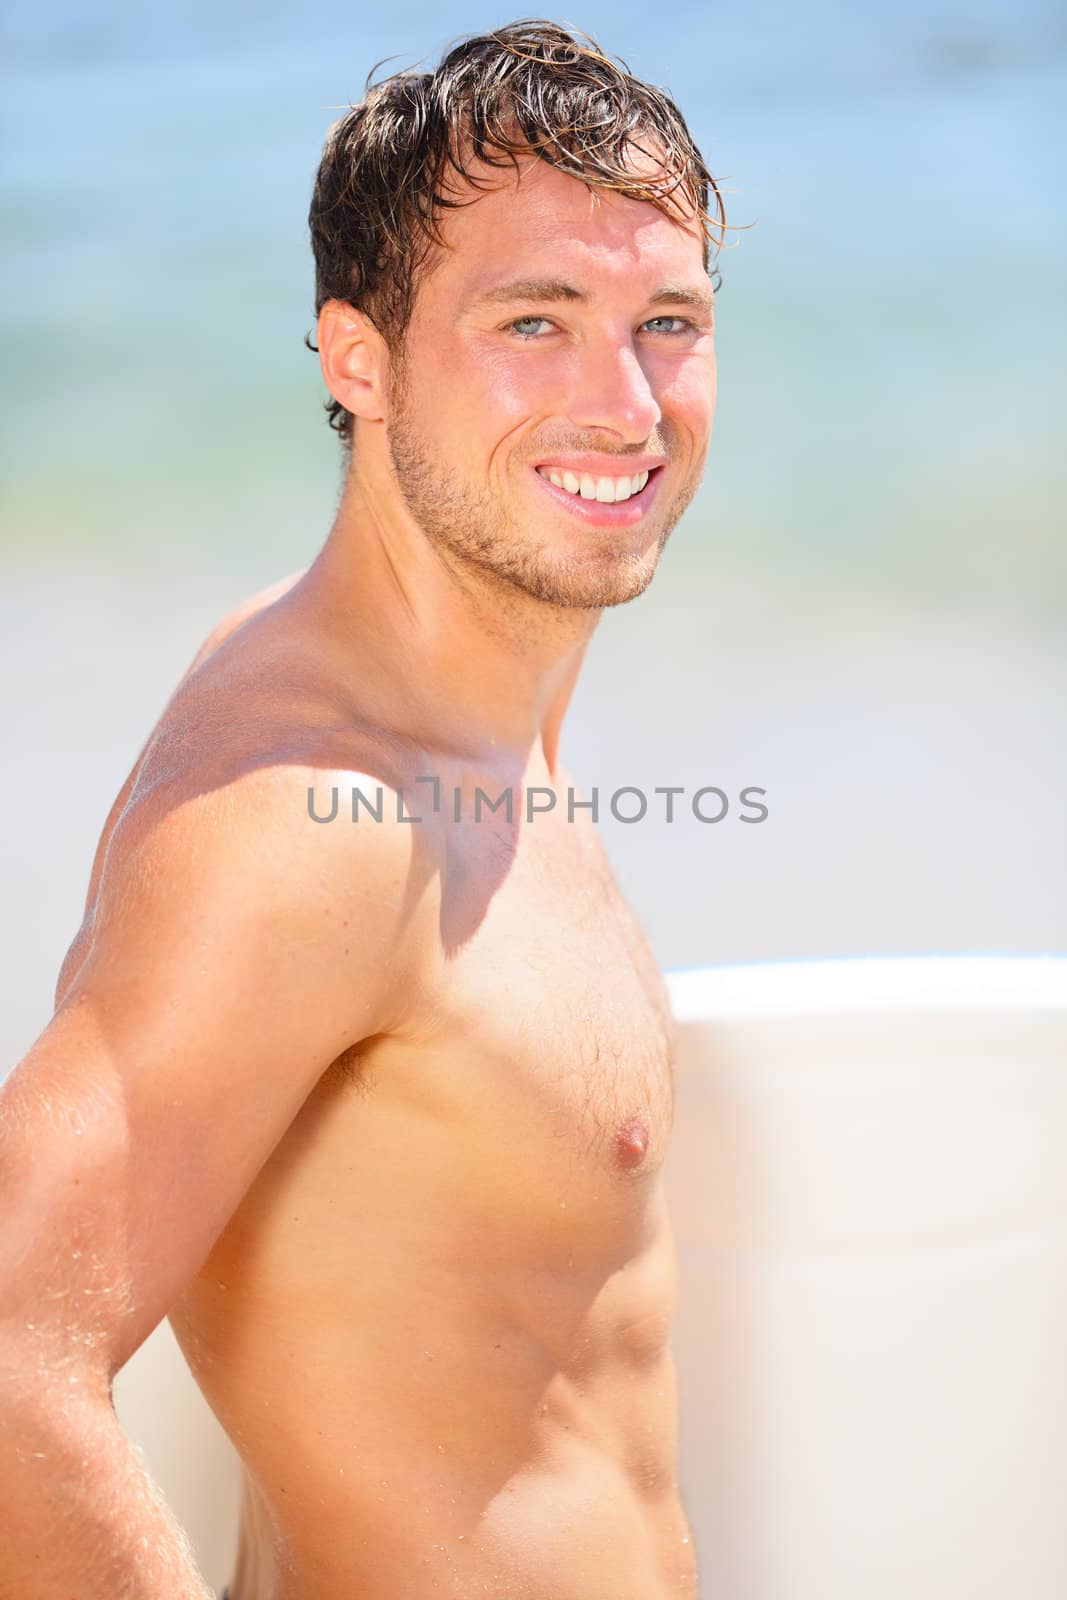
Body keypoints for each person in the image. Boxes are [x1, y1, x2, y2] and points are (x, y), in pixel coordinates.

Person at [0, 19, 726, 1598]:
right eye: (534, 322)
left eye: (666, 320)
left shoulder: (461, 686)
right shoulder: (309, 824)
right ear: (359, 361)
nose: (628, 403)